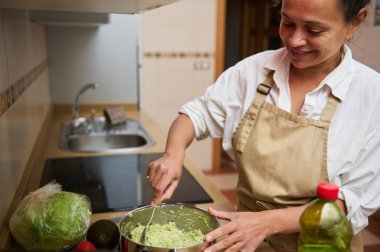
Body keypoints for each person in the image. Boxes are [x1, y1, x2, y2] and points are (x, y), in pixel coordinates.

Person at [146, 0, 380, 251]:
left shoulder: (371, 95)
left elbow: (353, 202)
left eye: (314, 30)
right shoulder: (253, 71)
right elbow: (196, 114)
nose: (295, 40)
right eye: (287, 22)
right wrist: (173, 154)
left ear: (354, 23)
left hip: (322, 244)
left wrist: (265, 223)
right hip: (245, 241)